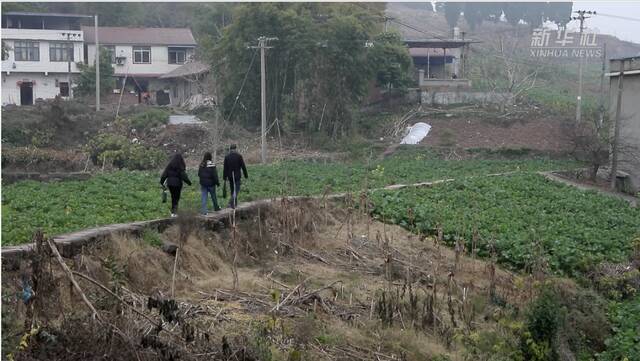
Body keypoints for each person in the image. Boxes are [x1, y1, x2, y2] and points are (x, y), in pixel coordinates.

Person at [222, 144, 248, 209]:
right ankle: (231, 202)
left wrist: (224, 177)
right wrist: (246, 175)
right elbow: (243, 166)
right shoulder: (239, 156)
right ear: (235, 149)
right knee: (236, 189)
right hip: (237, 176)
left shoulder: (227, 157)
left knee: (232, 190)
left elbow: (225, 168)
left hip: (230, 176)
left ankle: (234, 204)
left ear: (230, 149)